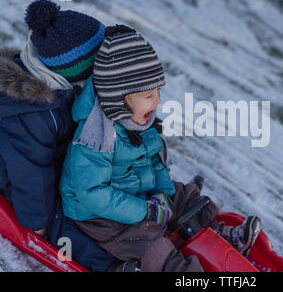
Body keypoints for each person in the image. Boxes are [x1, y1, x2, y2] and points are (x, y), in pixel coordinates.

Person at [59, 24, 262, 272]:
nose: (157, 101)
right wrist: (146, 211)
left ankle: (221, 240)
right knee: (151, 244)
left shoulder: (138, 121)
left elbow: (156, 162)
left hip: (138, 195)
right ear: (119, 98)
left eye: (157, 91)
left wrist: (164, 196)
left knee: (186, 196)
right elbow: (93, 195)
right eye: (148, 95)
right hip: (100, 217)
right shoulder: (93, 139)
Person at [0, 0, 115, 271]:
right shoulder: (31, 114)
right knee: (66, 221)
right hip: (12, 179)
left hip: (54, 163)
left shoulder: (65, 84)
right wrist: (38, 223)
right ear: (81, 68)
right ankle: (111, 265)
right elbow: (30, 176)